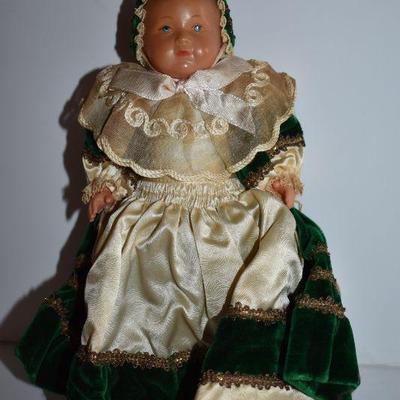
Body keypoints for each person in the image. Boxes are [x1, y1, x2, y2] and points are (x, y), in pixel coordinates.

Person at [15, 0, 360, 399]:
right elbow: (105, 150)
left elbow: (277, 138)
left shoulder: (245, 90)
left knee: (236, 290)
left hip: (228, 221)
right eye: (165, 29)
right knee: (140, 306)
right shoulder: (126, 95)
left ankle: (232, 377)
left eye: (198, 27)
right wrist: (105, 185)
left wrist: (280, 177)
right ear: (141, 41)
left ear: (223, 36)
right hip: (151, 228)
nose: (183, 40)